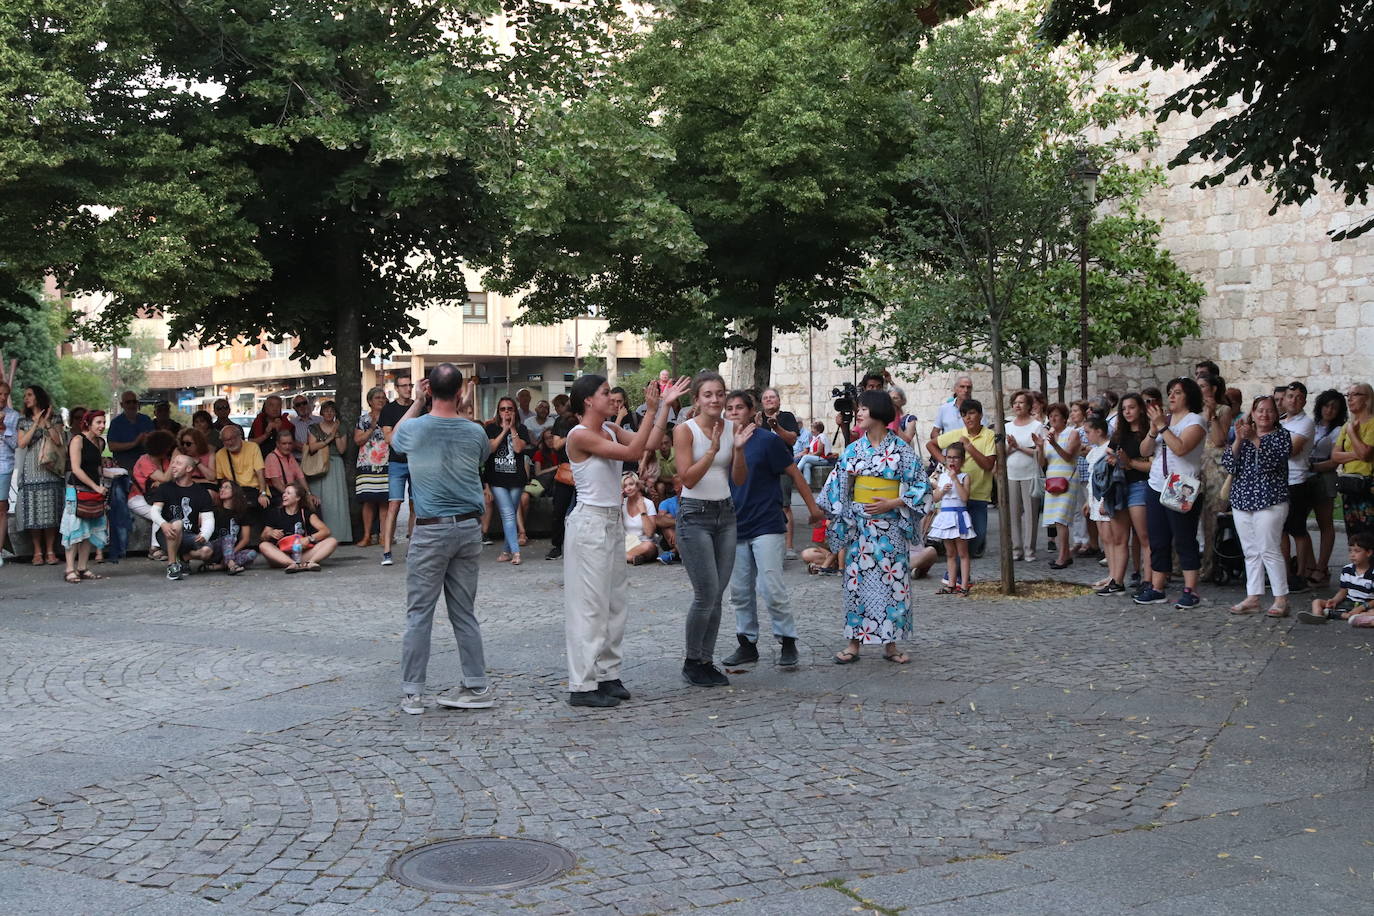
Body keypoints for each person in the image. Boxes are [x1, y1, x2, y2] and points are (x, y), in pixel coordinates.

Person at [563, 372, 688, 706]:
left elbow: (647, 444)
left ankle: (607, 674)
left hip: (610, 520)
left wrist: (663, 407)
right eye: (606, 393)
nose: (612, 398)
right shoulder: (579, 436)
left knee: (614, 602)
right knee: (590, 606)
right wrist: (651, 409)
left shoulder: (607, 428)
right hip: (589, 521)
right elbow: (633, 450)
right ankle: (583, 685)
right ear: (589, 400)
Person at [392, 364, 494, 715]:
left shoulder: (416, 428)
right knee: (464, 613)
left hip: (431, 528)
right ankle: (476, 685)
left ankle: (413, 693)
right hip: (468, 528)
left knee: (420, 612)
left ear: (429, 389)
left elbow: (395, 438)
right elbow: (480, 458)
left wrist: (418, 402)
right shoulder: (475, 431)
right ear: (462, 389)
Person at [820, 389, 929, 665]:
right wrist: (844, 501)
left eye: (864, 409)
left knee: (892, 583)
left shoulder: (901, 450)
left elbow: (921, 486)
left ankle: (890, 644)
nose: (858, 413)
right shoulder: (854, 450)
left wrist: (894, 502)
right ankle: (853, 643)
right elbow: (836, 486)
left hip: (890, 527)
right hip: (859, 526)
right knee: (856, 583)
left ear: (878, 413)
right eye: (859, 409)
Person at [720, 390, 823, 669]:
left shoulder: (767, 441)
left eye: (739, 407)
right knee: (739, 591)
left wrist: (813, 508)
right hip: (735, 525)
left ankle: (787, 641)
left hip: (766, 523)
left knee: (771, 586)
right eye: (728, 408)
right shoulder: (721, 443)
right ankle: (746, 644)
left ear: (752, 411)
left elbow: (794, 473)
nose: (733, 412)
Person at [672, 371, 752, 688]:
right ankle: (692, 661)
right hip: (695, 516)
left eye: (720, 393)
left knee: (717, 595)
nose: (715, 400)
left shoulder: (733, 428)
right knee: (705, 594)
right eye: (708, 394)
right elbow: (687, 479)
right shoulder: (685, 431)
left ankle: (706, 660)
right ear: (697, 399)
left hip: (726, 513)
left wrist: (740, 450)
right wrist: (712, 449)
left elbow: (740, 479)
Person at [1135, 377, 1208, 608]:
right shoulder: (1163, 420)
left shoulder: (1195, 421)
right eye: (1170, 392)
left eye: (1178, 392)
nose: (1172, 396)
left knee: (1184, 537)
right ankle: (1157, 587)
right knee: (1158, 538)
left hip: (1181, 484)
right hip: (1157, 483)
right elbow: (1145, 450)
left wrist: (1163, 426)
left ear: (1190, 396)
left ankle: (1191, 590)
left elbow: (1181, 448)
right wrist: (1152, 429)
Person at [1222, 396, 1292, 617]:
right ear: (1252, 413)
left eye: (1269, 411)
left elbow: (1274, 462)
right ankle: (1253, 596)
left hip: (1270, 499)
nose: (1264, 415)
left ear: (1276, 414)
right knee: (1250, 551)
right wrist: (1238, 440)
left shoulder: (1282, 436)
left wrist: (1254, 439)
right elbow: (1228, 464)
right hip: (1243, 498)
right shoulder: (1242, 435)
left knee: (1269, 549)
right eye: (1260, 410)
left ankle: (1281, 598)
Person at [929, 400, 997, 557]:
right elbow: (931, 444)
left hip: (979, 494)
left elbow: (988, 465)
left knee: (978, 537)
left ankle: (962, 574)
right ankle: (956, 576)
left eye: (972, 413)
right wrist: (946, 462)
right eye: (964, 415)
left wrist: (969, 447)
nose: (968, 418)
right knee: (957, 539)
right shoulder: (957, 434)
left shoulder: (989, 436)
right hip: (957, 497)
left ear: (980, 415)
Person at [16, 385, 65, 565]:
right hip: (31, 468)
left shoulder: (55, 417)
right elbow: (22, 443)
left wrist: (46, 421)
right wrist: (35, 423)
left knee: (50, 510)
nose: (26, 398)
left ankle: (50, 550)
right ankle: (37, 551)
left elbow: (58, 440)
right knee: (33, 511)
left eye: (29, 395)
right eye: (25, 396)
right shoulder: (23, 420)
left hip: (50, 468)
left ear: (38, 397)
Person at [60, 409, 109, 583]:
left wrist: (102, 482)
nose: (102, 426)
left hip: (93, 490)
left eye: (103, 422)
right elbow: (76, 468)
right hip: (77, 489)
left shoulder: (100, 443)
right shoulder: (78, 440)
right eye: (98, 422)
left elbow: (97, 468)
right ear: (88, 423)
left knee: (88, 529)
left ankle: (82, 566)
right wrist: (95, 486)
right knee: (73, 529)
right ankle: (69, 568)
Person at [149, 453, 215, 580]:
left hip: (190, 535)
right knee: (178, 523)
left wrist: (205, 533)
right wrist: (163, 524)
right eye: (173, 463)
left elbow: (208, 518)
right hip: (167, 533)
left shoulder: (201, 491)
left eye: (178, 463)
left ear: (189, 469)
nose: (173, 466)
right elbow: (154, 511)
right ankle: (172, 565)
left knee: (207, 551)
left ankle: (184, 558)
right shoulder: (165, 487)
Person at [1083, 417, 1129, 595]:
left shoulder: (1109, 447)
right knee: (1106, 540)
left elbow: (1108, 478)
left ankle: (1117, 578)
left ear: (1099, 431)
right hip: (1095, 498)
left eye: (1088, 432)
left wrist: (1103, 500)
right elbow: (1092, 479)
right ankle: (1111, 575)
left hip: (1105, 497)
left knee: (1114, 538)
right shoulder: (1094, 451)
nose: (1086, 436)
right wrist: (1089, 500)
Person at [484, 396, 532, 565]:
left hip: (516, 479)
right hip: (497, 479)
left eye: (510, 408)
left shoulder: (522, 428)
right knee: (508, 514)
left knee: (509, 514)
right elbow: (490, 449)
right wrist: (503, 430)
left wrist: (512, 429)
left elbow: (519, 448)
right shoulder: (490, 428)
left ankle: (506, 550)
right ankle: (516, 552)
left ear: (515, 411)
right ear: (498, 411)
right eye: (503, 409)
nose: (506, 411)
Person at [1114, 393, 1153, 592]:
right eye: (1124, 408)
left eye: (1131, 407)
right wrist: (1116, 461)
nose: (1127, 412)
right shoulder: (1120, 433)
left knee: (1143, 536)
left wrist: (1130, 463)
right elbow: (1111, 456)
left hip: (1140, 485)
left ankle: (1148, 579)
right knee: (1121, 538)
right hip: (1121, 488)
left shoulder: (1148, 433)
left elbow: (1151, 466)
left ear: (1140, 409)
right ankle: (1117, 580)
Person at [1279, 382, 1316, 592]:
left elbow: (1291, 450)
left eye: (1299, 397)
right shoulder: (1281, 421)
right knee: (1281, 531)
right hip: (1279, 481)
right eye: (1290, 396)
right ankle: (1285, 573)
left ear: (1304, 401)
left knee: (1298, 530)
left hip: (1296, 480)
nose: (1294, 400)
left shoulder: (1305, 423)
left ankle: (1301, 574)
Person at [758, 388, 802, 559]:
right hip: (761, 468)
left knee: (784, 505)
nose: (769, 400)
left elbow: (791, 439)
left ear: (779, 400)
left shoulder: (786, 417)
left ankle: (788, 546)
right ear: (762, 402)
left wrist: (776, 427)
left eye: (772, 397)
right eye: (766, 397)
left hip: (782, 467)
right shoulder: (757, 418)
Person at [1307, 389, 1346, 586]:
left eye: (1334, 407)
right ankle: (1310, 564)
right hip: (1306, 475)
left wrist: (1313, 466)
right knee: (1298, 523)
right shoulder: (1312, 425)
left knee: (1325, 523)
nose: (1329, 410)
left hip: (1324, 476)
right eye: (1326, 405)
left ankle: (1322, 567)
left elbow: (1334, 461)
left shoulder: (1338, 431)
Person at [1198, 374, 1234, 580]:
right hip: (1196, 465)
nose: (1200, 390)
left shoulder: (1224, 409)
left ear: (1213, 388)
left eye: (1203, 386)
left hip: (1215, 467)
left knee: (1212, 518)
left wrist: (1211, 414)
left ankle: (1211, 566)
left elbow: (1219, 439)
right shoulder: (1193, 411)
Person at [258, 482, 337, 572]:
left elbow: (326, 531)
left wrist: (309, 539)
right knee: (263, 545)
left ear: (297, 498)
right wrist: (270, 533)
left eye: (288, 493)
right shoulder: (275, 513)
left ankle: (310, 563)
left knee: (332, 541)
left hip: (301, 555)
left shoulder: (306, 513)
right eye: (284, 493)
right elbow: (263, 537)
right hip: (281, 556)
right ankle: (293, 564)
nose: (284, 495)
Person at [1003, 390, 1044, 561]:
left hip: (1030, 474)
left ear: (1029, 406)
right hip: (1011, 473)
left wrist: (1018, 446)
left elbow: (1039, 453)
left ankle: (1029, 549)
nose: (1017, 406)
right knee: (1013, 513)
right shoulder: (1007, 426)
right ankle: (1016, 548)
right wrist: (1011, 447)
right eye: (1015, 403)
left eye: (1021, 402)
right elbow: (1003, 453)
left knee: (1031, 514)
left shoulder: (1036, 426)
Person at [1298, 532, 1374, 624]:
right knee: (1317, 602)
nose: (1352, 555)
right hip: (1349, 603)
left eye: (1357, 551)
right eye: (1350, 551)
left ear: (1369, 553)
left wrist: (1361, 608)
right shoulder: (1347, 569)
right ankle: (1318, 616)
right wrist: (1334, 600)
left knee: (1372, 612)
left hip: (1367, 605)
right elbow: (1343, 591)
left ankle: (1341, 615)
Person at [1039, 403, 1081, 570]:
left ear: (1064, 418)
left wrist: (1054, 444)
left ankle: (1063, 556)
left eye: (1056, 415)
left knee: (1061, 518)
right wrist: (1040, 447)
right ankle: (1066, 555)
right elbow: (1042, 463)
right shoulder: (1049, 436)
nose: (1053, 419)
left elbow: (1068, 456)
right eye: (1050, 416)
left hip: (1068, 479)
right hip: (1052, 479)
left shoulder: (1072, 433)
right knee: (1055, 521)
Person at [304, 400, 353, 544]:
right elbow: (312, 447)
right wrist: (329, 438)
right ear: (321, 412)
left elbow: (342, 449)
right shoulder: (314, 427)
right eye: (326, 410)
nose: (329, 413)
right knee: (319, 499)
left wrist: (336, 433)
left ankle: (339, 535)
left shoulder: (341, 427)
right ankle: (318, 534)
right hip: (318, 464)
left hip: (335, 463)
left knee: (336, 500)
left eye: (332, 410)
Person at [931, 442, 974, 596]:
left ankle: (964, 585)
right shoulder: (942, 477)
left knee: (963, 552)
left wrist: (956, 480)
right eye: (949, 458)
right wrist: (942, 490)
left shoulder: (964, 477)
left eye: (956, 458)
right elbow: (935, 498)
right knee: (950, 553)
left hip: (959, 516)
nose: (952, 461)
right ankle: (950, 584)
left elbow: (964, 497)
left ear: (962, 460)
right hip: (945, 516)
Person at [380, 376, 415, 566]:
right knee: (393, 504)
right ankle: (386, 550)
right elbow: (388, 438)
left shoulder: (419, 407)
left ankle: (412, 549)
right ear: (397, 388)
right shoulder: (389, 409)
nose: (408, 388)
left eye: (410, 385)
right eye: (404, 386)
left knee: (414, 506)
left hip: (416, 461)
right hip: (397, 462)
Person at [1332, 382, 1374, 538]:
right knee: (1353, 532)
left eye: (1355, 394)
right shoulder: (1346, 426)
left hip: (1369, 486)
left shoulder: (1371, 424)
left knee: (1369, 533)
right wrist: (1358, 454)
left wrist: (1352, 433)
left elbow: (1365, 454)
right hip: (1350, 484)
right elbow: (1335, 456)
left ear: (1367, 398)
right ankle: (1357, 562)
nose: (1350, 399)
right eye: (1347, 395)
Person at [129, 430, 178, 559]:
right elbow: (166, 478)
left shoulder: (164, 460)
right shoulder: (144, 460)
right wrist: (174, 458)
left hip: (154, 497)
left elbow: (172, 478)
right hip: (137, 498)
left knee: (161, 509)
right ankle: (154, 548)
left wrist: (162, 480)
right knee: (157, 512)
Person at [354, 386, 390, 545]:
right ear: (369, 401)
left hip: (386, 461)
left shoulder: (390, 417)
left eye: (383, 397)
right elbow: (358, 440)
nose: (381, 400)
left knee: (384, 499)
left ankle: (384, 535)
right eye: (377, 398)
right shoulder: (363, 419)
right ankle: (367, 535)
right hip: (367, 462)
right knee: (368, 499)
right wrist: (372, 427)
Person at [214, 422, 272, 516]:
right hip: (236, 492)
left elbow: (260, 473)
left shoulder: (253, 447)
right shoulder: (220, 454)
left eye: (232, 438)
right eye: (226, 440)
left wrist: (263, 493)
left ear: (239, 436)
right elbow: (222, 480)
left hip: (255, 490)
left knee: (264, 504)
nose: (230, 442)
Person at [207, 480, 258, 574]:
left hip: (232, 550)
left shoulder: (242, 512)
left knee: (252, 553)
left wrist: (230, 553)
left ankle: (221, 566)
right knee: (228, 537)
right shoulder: (214, 511)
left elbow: (245, 539)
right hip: (214, 550)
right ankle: (231, 565)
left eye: (226, 487)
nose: (222, 489)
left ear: (235, 491)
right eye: (221, 487)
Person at [263, 428, 318, 509]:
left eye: (290, 443)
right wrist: (295, 497)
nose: (287, 446)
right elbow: (276, 484)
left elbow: (300, 476)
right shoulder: (272, 458)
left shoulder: (290, 456)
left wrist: (309, 493)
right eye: (284, 444)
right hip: (279, 496)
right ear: (277, 444)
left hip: (290, 494)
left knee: (314, 502)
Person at [620, 471, 659, 564]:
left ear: (637, 486)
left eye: (631, 484)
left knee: (649, 546)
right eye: (625, 486)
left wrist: (643, 511)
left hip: (643, 544)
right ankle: (631, 557)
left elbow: (650, 533)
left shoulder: (648, 503)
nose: (628, 488)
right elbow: (616, 529)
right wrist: (619, 506)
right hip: (626, 543)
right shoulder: (622, 503)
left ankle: (623, 557)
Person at [930, 375, 974, 441]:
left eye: (969, 387)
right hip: (949, 449)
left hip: (970, 449)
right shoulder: (944, 408)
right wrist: (945, 443)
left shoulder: (977, 409)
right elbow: (934, 433)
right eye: (962, 387)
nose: (965, 390)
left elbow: (984, 431)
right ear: (955, 389)